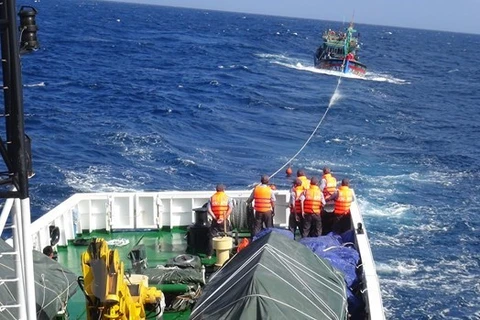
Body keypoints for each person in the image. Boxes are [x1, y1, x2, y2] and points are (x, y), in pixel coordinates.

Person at [206, 184, 233, 259]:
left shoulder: (212, 198)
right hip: (224, 221)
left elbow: (209, 209)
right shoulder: (227, 198)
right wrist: (224, 217)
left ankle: (209, 255)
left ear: (216, 189)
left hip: (215, 220)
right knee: (226, 235)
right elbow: (230, 208)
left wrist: (214, 217)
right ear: (224, 189)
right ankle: (228, 253)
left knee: (212, 236)